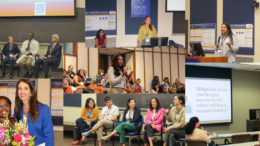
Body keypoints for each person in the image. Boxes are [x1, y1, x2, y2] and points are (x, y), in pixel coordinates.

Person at [14, 79, 54, 146]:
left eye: (26, 88)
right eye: (19, 88)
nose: (22, 91)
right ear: (17, 92)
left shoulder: (43, 108)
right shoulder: (16, 110)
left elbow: (49, 134)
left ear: (31, 92)